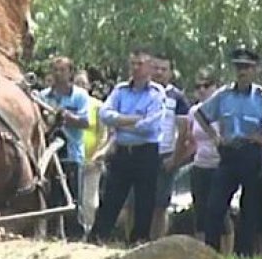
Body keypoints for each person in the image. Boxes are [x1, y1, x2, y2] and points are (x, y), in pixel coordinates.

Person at [194, 47, 262, 257]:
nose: (242, 72)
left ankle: (243, 255)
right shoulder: (223, 95)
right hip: (228, 154)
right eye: (238, 67)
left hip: (252, 153)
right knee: (215, 206)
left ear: (254, 70)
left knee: (250, 207)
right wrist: (214, 136)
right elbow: (201, 114)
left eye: (246, 67)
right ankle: (211, 253)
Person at [86, 48, 165, 245]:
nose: (135, 68)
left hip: (145, 153)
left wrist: (120, 122)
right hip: (122, 152)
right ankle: (97, 239)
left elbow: (151, 126)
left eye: (140, 64)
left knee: (144, 201)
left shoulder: (156, 93)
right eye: (133, 64)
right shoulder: (120, 90)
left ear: (149, 68)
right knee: (111, 198)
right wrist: (133, 120)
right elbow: (105, 115)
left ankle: (138, 241)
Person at [166, 67, 232, 251]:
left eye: (207, 85)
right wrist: (175, 161)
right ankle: (203, 253)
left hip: (221, 165)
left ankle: (227, 254)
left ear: (216, 87)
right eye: (198, 86)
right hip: (200, 165)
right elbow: (191, 142)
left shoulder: (224, 109)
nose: (202, 90)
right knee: (200, 211)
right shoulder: (194, 112)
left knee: (221, 212)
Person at [40, 56, 90, 239]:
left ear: (70, 72)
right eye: (55, 70)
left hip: (71, 156)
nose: (58, 74)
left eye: (62, 70)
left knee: (73, 204)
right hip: (49, 158)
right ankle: (52, 239)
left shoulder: (79, 96)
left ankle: (76, 240)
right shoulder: (42, 96)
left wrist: (65, 116)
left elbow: (85, 122)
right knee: (51, 204)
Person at [150, 53, 191, 240]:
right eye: (156, 68)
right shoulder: (144, 91)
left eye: (163, 69)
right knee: (132, 205)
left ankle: (157, 242)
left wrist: (175, 158)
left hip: (165, 155)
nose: (159, 72)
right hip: (144, 152)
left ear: (170, 72)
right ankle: (134, 243)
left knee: (160, 205)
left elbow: (184, 131)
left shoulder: (177, 97)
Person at [74, 70, 110, 233]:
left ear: (89, 86)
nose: (80, 87)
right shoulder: (71, 103)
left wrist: (98, 155)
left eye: (83, 83)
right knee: (75, 200)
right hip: (74, 159)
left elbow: (104, 134)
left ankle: (89, 230)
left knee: (90, 201)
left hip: (92, 161)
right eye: (76, 83)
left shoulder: (97, 106)